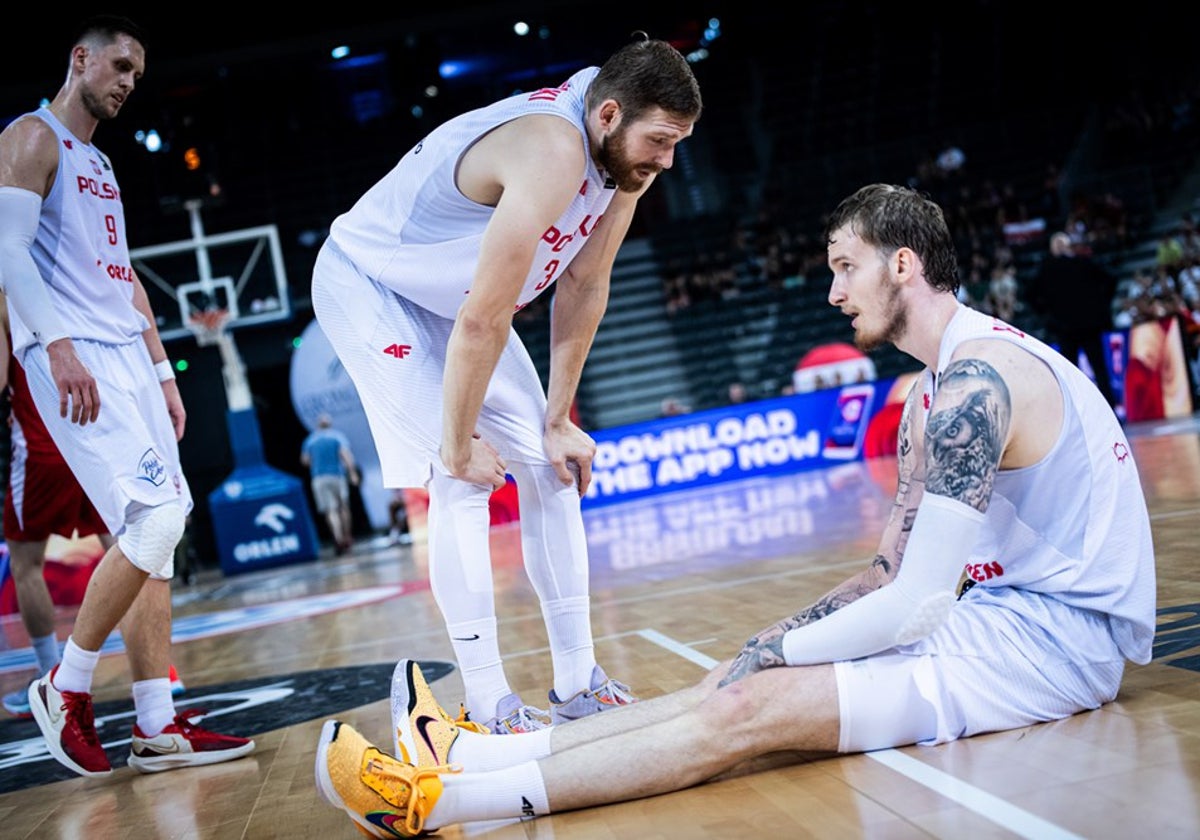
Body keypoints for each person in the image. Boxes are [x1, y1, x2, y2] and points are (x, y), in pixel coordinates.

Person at [313, 183, 1156, 836]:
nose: (832, 291)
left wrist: (778, 653)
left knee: (749, 705)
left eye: (844, 266)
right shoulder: (940, 389)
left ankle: (435, 803)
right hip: (1008, 621)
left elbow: (921, 602)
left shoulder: (979, 384)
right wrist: (767, 644)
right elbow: (887, 572)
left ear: (904, 264)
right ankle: (469, 751)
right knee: (736, 676)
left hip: (1058, 647)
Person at [310, 32, 702, 733]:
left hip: (453, 300)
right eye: (662, 140)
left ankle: (578, 681)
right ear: (608, 115)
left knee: (552, 471)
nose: (668, 160)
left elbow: (585, 283)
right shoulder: (553, 148)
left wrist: (556, 419)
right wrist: (457, 444)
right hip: (371, 286)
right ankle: (489, 703)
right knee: (458, 478)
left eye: (678, 143)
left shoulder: (625, 166)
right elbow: (485, 322)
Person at [0, 14, 252, 775]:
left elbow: (125, 275)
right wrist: (56, 344)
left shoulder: (100, 167)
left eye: (136, 75)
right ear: (79, 59)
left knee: (157, 543)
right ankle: (66, 685)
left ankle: (156, 725)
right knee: (155, 516)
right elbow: (7, 252)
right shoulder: (30, 137)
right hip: (72, 353)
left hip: (125, 358)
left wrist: (162, 371)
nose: (127, 83)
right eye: (118, 66)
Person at [0, 293, 187, 717]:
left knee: (26, 563)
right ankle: (162, 672)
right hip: (95, 430)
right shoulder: (79, 281)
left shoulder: (10, 293)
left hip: (43, 449)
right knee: (136, 542)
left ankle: (52, 676)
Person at [1027, 231, 1120, 409]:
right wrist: (1101, 306)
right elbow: (1111, 279)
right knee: (1099, 370)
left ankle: (1077, 415)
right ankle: (1110, 411)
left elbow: (1030, 295)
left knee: (1070, 374)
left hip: (1065, 328)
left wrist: (1046, 314)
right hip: (1088, 325)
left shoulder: (1047, 270)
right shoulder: (1082, 263)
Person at [300, 413, 360, 555]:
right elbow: (346, 456)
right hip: (337, 476)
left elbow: (305, 461)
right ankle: (347, 537)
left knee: (330, 510)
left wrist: (318, 463)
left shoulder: (310, 440)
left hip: (320, 478)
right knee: (343, 507)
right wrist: (352, 473)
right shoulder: (337, 436)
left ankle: (338, 538)